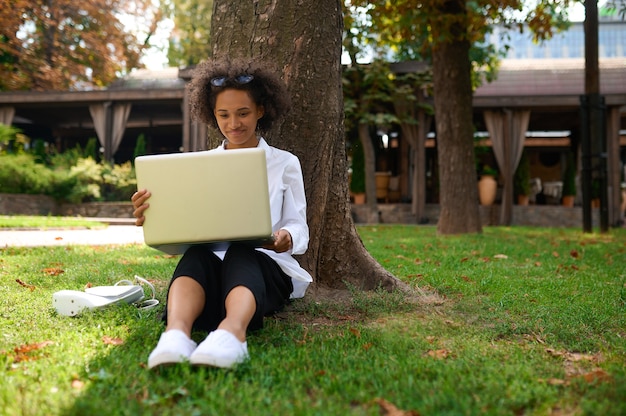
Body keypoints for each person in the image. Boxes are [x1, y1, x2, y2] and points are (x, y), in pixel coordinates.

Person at [131, 57, 312, 369]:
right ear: (212, 116)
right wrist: (153, 217)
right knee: (198, 255)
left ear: (260, 110)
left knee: (242, 250)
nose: (234, 123)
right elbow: (181, 235)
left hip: (265, 269)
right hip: (211, 269)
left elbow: (299, 225)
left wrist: (287, 237)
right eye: (223, 115)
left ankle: (232, 334)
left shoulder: (284, 163)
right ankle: (175, 336)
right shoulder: (198, 167)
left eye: (243, 113)